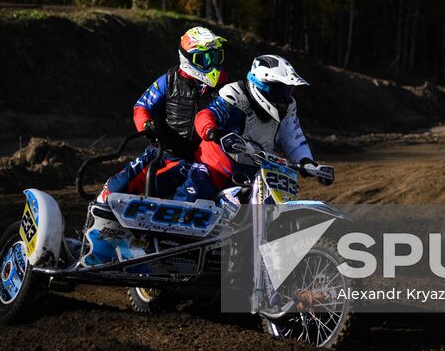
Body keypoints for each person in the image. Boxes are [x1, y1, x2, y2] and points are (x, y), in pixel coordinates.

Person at [79, 26, 225, 267]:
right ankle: (91, 237)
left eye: (216, 57)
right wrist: (147, 124)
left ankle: (171, 249)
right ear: (187, 59)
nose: (212, 64)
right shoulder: (169, 80)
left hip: (200, 162)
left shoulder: (226, 88)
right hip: (163, 152)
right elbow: (141, 106)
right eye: (205, 58)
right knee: (116, 186)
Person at [176, 53, 334, 204]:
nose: (284, 98)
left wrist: (308, 163)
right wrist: (214, 132)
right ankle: (168, 226)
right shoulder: (236, 95)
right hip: (216, 167)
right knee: (196, 187)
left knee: (275, 202)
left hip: (257, 172)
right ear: (259, 84)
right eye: (278, 90)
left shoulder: (289, 107)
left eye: (288, 91)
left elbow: (294, 138)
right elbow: (206, 115)